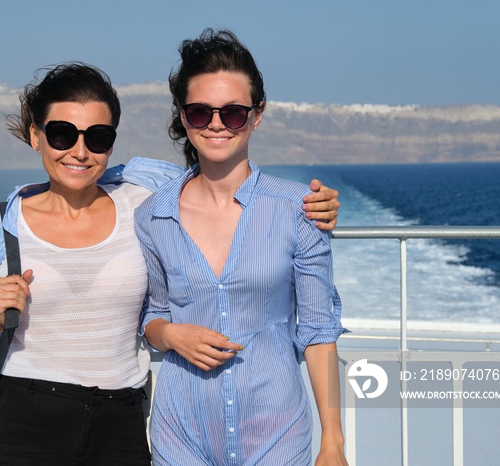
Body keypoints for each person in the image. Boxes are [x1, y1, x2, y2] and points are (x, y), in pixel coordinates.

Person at [0, 63, 341, 465]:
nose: (79, 151)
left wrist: (315, 204)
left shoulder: (142, 198)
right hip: (22, 420)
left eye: (97, 137)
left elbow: (214, 175)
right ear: (36, 136)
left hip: (120, 420)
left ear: (111, 143)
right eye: (61, 134)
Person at [135, 29, 349, 466]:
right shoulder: (153, 215)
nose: (216, 124)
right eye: (200, 112)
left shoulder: (299, 209)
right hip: (182, 435)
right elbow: (153, 314)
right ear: (182, 116)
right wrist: (171, 334)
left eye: (233, 113)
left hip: (277, 433)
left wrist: (333, 444)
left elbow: (318, 333)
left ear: (257, 115)